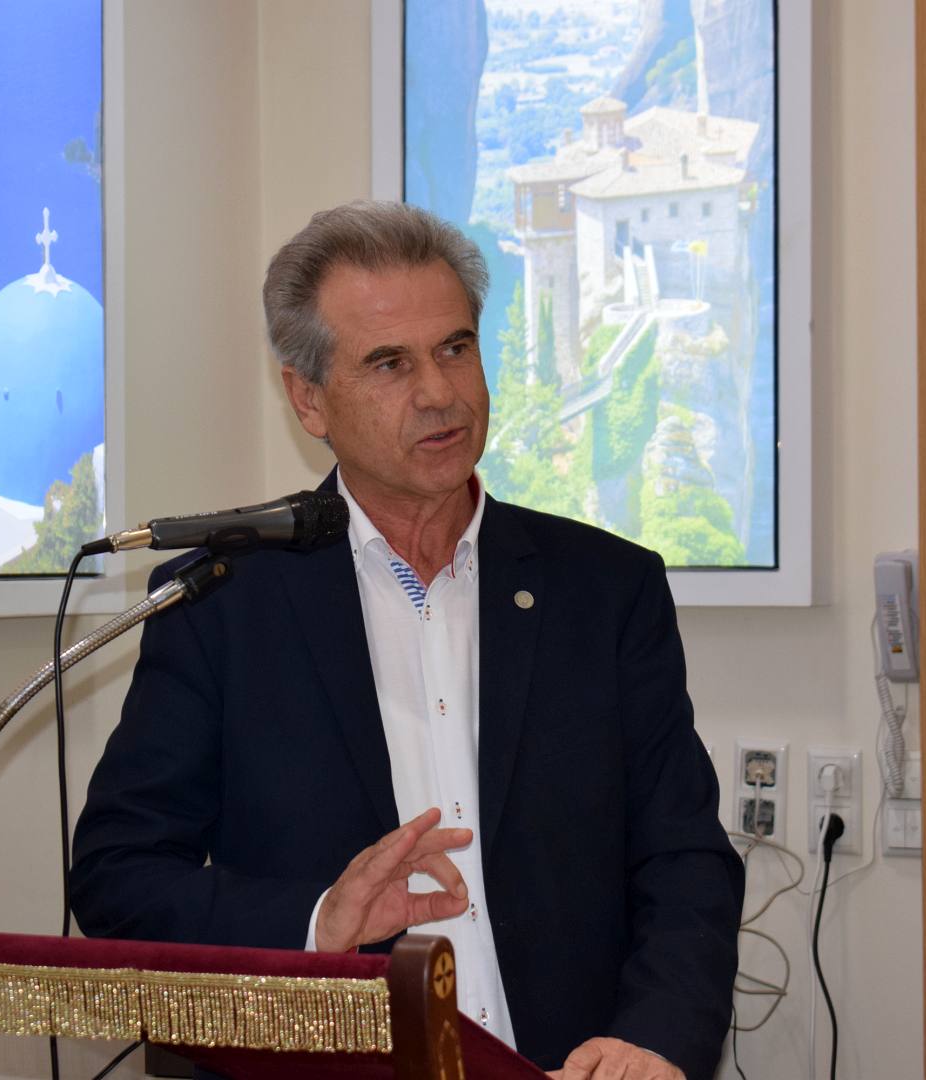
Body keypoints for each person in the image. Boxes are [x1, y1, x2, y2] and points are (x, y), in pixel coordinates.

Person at [71, 201, 743, 1079]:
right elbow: (118, 876)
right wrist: (320, 919)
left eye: (455, 348)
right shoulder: (222, 601)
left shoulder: (606, 590)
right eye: (390, 363)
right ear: (308, 398)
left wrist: (654, 1039)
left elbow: (684, 855)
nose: (439, 392)